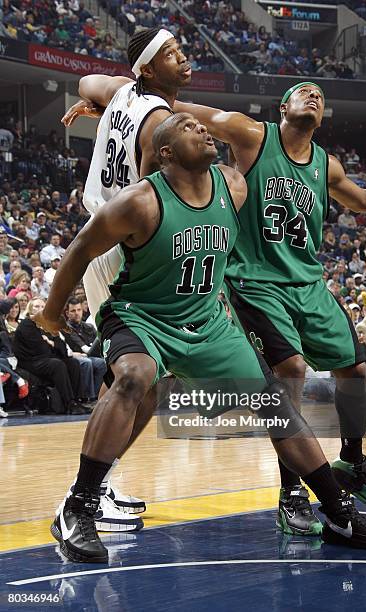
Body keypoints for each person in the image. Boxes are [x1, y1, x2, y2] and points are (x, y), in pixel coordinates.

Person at [35, 114, 366, 563]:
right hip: (144, 317)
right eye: (187, 127)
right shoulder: (138, 203)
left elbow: (268, 229)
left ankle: (338, 510)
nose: (202, 130)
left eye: (201, 127)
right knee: (134, 376)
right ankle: (79, 508)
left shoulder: (233, 186)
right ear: (164, 154)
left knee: (276, 405)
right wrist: (50, 314)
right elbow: (80, 250)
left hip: (209, 324)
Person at [59, 26, 193, 530]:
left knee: (137, 379)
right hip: (126, 250)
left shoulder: (119, 91)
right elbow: (155, 200)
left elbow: (85, 83)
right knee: (141, 378)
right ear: (149, 68)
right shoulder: (160, 121)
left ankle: (98, 485)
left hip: (100, 238)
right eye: (172, 55)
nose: (185, 61)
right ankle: (85, 494)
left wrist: (104, 108)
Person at [13, 298, 86, 415]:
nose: (40, 309)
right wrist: (51, 344)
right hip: (30, 362)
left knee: (73, 363)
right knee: (57, 364)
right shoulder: (27, 325)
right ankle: (69, 403)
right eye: (37, 306)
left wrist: (51, 341)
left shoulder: (48, 324)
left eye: (43, 307)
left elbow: (62, 348)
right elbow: (40, 350)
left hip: (46, 358)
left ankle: (78, 401)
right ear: (30, 309)